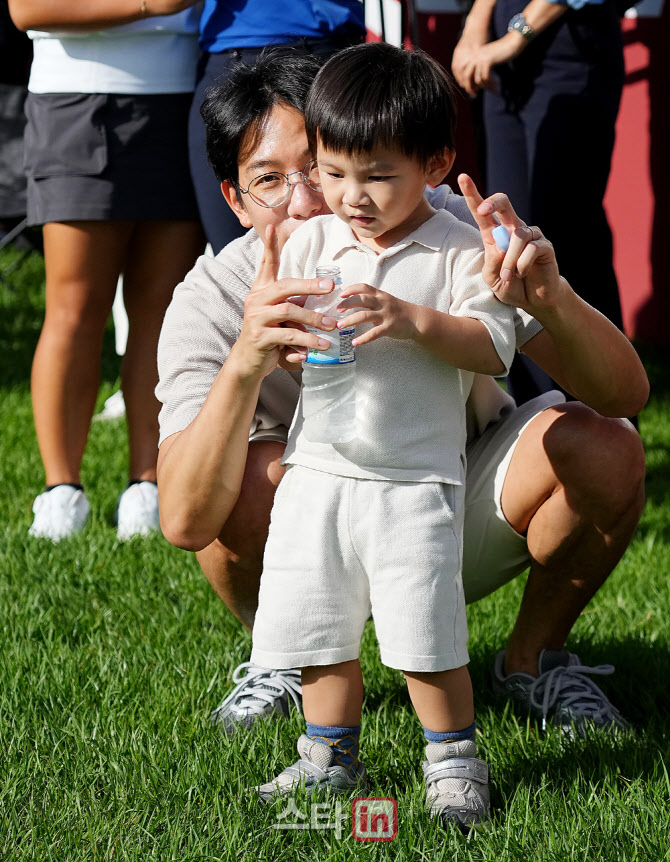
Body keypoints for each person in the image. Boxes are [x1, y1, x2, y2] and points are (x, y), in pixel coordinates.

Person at [155, 49, 647, 748]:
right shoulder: (213, 296)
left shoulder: (441, 226)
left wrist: (552, 296)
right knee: (233, 467)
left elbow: (626, 394)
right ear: (234, 200)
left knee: (607, 447)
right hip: (307, 534)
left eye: (319, 165)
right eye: (270, 181)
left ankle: (532, 661)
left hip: (444, 502)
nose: (309, 201)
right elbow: (182, 518)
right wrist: (245, 362)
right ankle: (290, 656)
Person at [245, 43, 518, 827]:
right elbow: (281, 330)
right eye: (333, 173)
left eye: (376, 175)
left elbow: (493, 343)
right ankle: (327, 756)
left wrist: (409, 319)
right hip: (318, 472)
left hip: (414, 478)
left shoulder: (460, 248)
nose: (350, 196)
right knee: (318, 624)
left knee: (426, 632)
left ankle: (453, 758)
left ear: (435, 164)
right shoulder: (310, 240)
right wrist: (286, 336)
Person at [9, 0, 205, 541]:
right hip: (74, 99)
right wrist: (150, 5)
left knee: (160, 310)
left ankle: (147, 483)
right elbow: (26, 9)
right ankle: (61, 490)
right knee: (74, 310)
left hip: (183, 95)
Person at [451, 0, 626, 405]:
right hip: (501, 64)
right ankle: (537, 414)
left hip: (569, 51)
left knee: (566, 243)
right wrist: (476, 28)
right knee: (513, 241)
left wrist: (516, 37)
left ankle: (608, 418)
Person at [187, 0, 364, 254]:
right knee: (239, 259)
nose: (302, 204)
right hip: (231, 54)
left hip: (330, 49)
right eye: (269, 179)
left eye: (319, 167)